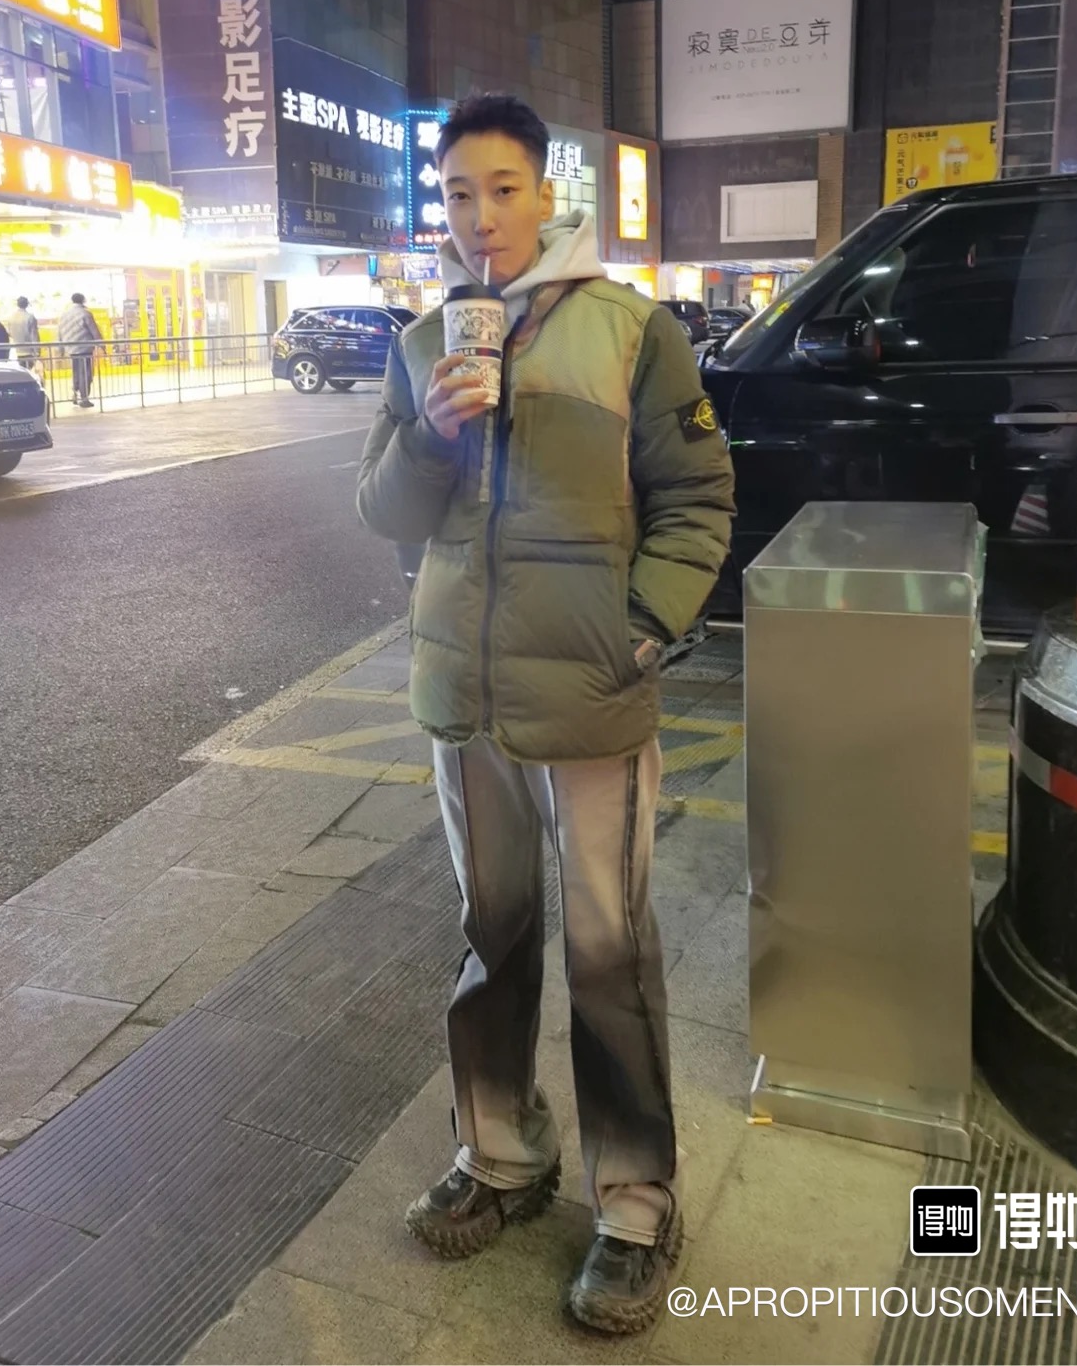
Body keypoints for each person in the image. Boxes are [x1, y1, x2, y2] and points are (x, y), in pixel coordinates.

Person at [356, 93, 735, 1335]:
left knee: (607, 948)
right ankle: (501, 1151)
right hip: (464, 700)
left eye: (502, 188)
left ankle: (635, 1200)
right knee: (492, 931)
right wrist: (430, 433)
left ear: (545, 192)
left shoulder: (629, 329)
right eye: (458, 193)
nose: (481, 216)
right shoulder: (423, 341)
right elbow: (382, 511)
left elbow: (697, 492)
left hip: (589, 694)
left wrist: (643, 626)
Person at [58, 292, 102, 408]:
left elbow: (60, 332)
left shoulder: (64, 314)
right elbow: (94, 330)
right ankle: (84, 398)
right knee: (85, 374)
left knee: (76, 372)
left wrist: (60, 349)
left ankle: (75, 394)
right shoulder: (85, 313)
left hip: (71, 348)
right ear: (83, 300)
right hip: (84, 348)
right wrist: (102, 345)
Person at [6, 296, 41, 372]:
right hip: (29, 351)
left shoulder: (11, 318)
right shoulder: (30, 317)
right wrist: (37, 351)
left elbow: (9, 333)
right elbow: (34, 336)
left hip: (17, 351)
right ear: (27, 304)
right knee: (29, 371)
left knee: (22, 371)